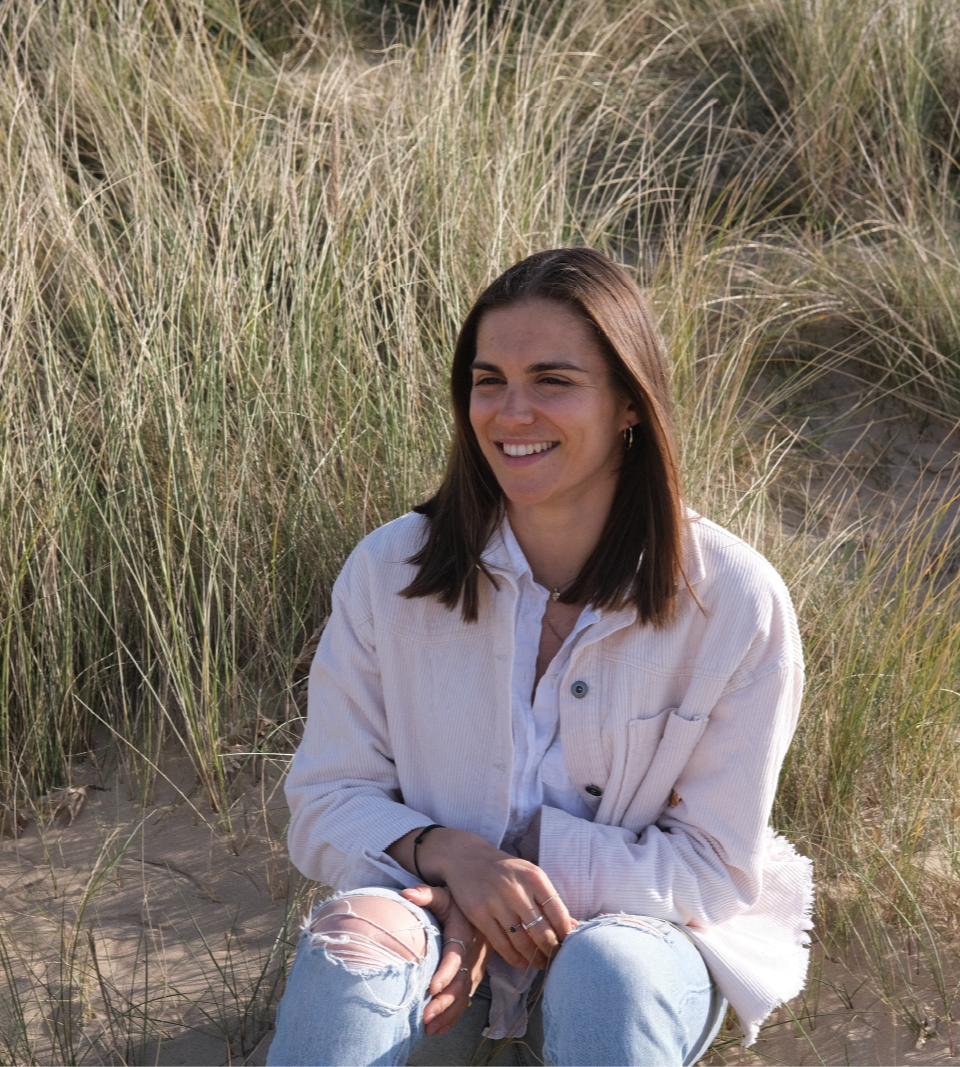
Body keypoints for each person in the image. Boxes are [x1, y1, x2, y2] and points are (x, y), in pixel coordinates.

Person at [267, 248, 812, 1067]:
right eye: (489, 380)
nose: (511, 412)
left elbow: (712, 867)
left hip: (638, 949)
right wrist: (451, 857)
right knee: (353, 944)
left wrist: (508, 883)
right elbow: (323, 798)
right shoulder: (391, 569)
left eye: (552, 380)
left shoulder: (733, 598)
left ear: (628, 400)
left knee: (608, 969)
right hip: (436, 938)